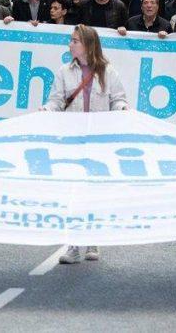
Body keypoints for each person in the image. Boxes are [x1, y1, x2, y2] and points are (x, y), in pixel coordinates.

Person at [43, 25, 129, 265]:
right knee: (73, 191)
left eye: (75, 41)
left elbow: (118, 99)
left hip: (99, 142)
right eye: (71, 40)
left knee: (94, 191)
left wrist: (122, 108)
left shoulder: (108, 72)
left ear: (88, 45)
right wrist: (46, 110)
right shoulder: (64, 72)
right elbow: (56, 101)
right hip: (73, 141)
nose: (70, 44)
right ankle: (73, 245)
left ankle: (92, 239)